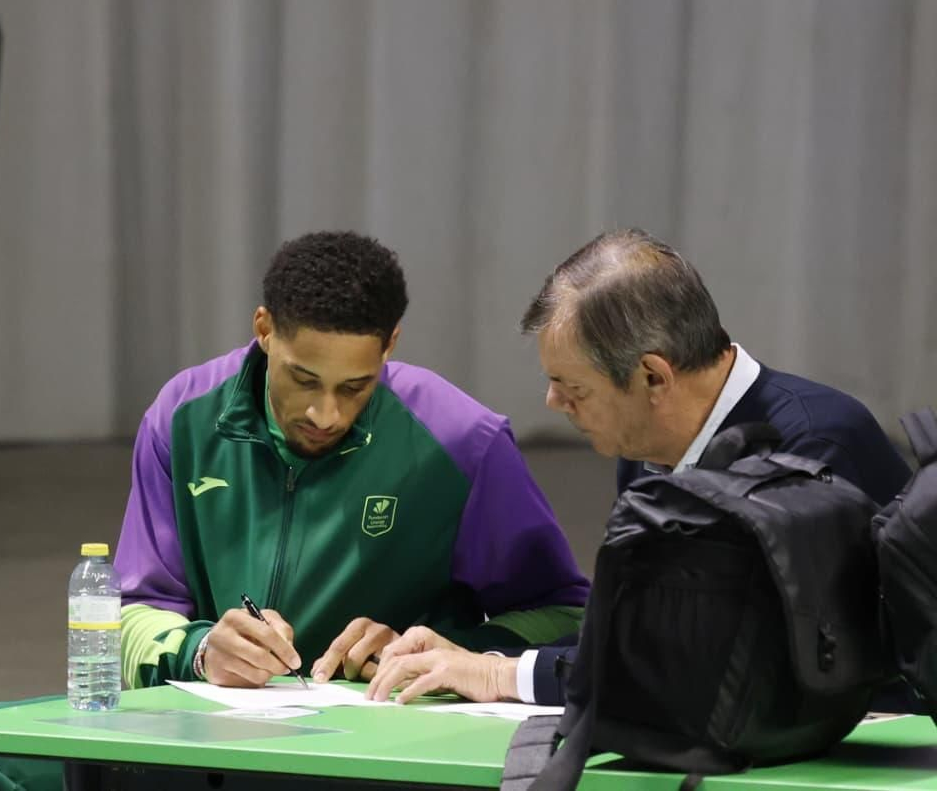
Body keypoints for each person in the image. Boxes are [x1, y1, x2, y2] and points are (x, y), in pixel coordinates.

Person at [0, 231, 589, 790]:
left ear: (390, 347)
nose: (326, 413)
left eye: (355, 387)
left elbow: (571, 618)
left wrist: (445, 653)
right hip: (206, 735)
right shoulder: (184, 416)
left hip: (377, 749)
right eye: (303, 380)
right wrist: (202, 649)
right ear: (264, 331)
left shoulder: (459, 441)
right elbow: (129, 613)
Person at [365, 228, 913, 708]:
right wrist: (474, 654)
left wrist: (501, 675)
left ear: (653, 377)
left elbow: (730, 664)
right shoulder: (648, 451)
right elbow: (632, 641)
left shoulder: (813, 449)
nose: (554, 404)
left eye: (572, 387)